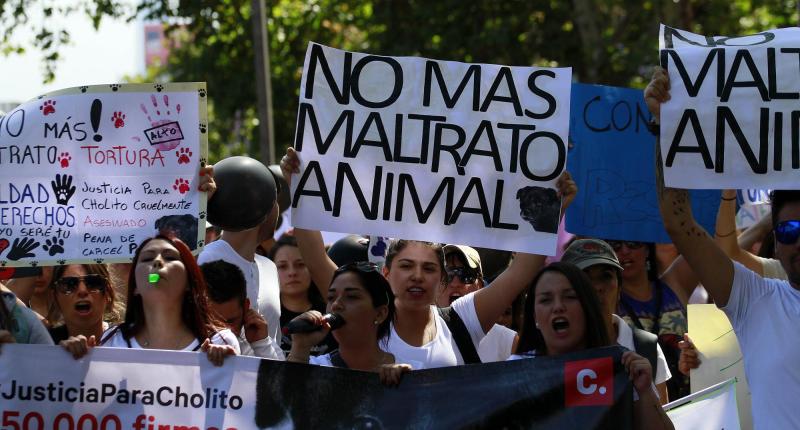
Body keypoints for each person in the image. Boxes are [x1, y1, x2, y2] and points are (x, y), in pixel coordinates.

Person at [281, 147, 576, 368]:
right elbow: (316, 258)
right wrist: (300, 187)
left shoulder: (462, 319)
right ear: (386, 274)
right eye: (406, 266)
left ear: (441, 280)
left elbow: (522, 270)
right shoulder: (360, 315)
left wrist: (553, 211)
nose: (417, 276)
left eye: (429, 268)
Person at [647, 66, 800, 428]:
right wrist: (665, 126)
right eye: (791, 229)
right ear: (775, 243)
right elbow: (677, 219)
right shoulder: (755, 300)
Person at [511, 262, 674, 430]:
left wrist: (645, 392)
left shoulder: (622, 368)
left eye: (570, 297)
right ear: (534, 316)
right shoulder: (513, 372)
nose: (558, 307)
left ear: (587, 308)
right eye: (546, 300)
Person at [60, 234, 239, 366]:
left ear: (188, 282)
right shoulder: (112, 341)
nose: (157, 262)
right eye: (147, 258)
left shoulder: (220, 342)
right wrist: (71, 363)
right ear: (135, 285)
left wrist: (227, 368)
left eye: (169, 257)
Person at [561, 239, 672, 403]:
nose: (597, 287)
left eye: (606, 276)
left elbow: (664, 423)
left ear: (619, 288)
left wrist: (645, 391)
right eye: (585, 278)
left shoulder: (646, 348)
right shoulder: (549, 352)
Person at [287, 262, 414, 386]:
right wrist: (300, 348)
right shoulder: (310, 368)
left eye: (352, 296)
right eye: (331, 297)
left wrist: (410, 383)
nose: (336, 305)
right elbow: (283, 403)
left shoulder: (410, 371)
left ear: (380, 314)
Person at [605, 237, 696, 399]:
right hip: (644, 408)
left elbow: (704, 242)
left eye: (633, 243)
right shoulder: (607, 302)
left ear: (648, 249)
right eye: (615, 245)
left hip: (690, 402)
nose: (625, 251)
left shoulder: (675, 284)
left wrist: (758, 227)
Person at [439, 244, 518, 362]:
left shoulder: (508, 340)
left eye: (466, 275)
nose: (455, 283)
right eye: (447, 275)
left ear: (480, 285)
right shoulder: (416, 335)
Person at [268, 235, 336, 356]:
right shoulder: (264, 316)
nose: (292, 272)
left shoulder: (331, 312)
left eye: (300, 264)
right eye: (282, 266)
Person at [202, 259, 283, 359]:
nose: (221, 331)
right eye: (212, 322)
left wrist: (261, 344)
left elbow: (276, 374)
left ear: (246, 307)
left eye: (230, 322)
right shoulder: (182, 337)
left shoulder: (258, 339)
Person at [47, 264, 122, 344]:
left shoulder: (127, 341)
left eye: (93, 282)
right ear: (55, 297)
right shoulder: (41, 343)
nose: (82, 291)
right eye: (69, 284)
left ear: (108, 292)